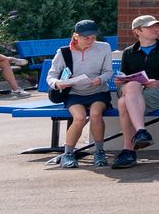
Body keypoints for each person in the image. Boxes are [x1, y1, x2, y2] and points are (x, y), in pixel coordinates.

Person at [108, 14, 159, 168]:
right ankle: (141, 132)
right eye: (150, 27)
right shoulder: (129, 52)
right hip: (135, 95)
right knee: (129, 90)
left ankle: (128, 151)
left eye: (156, 26)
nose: (156, 29)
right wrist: (120, 81)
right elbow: (124, 76)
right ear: (137, 31)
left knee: (124, 102)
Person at [48, 20, 115, 168]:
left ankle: (99, 152)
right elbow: (51, 76)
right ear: (75, 36)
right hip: (74, 93)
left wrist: (101, 79)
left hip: (98, 91)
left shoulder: (104, 47)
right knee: (78, 117)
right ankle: (68, 154)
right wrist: (57, 83)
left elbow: (108, 71)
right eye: (86, 38)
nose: (90, 41)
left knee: (95, 114)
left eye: (93, 37)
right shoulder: (64, 52)